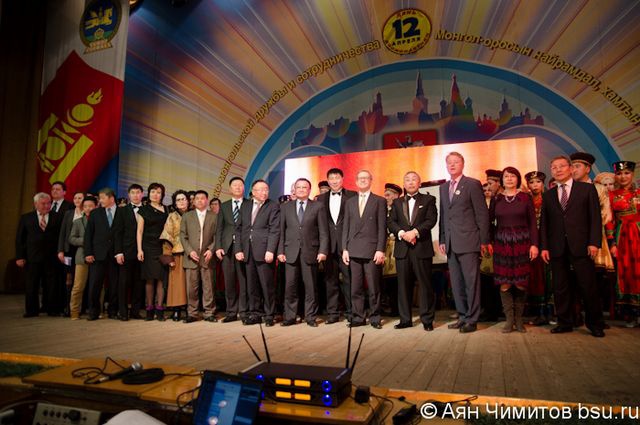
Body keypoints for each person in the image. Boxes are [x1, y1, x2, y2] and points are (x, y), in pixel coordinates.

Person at [540, 156, 605, 337]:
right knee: (560, 287)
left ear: (570, 168)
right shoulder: (549, 195)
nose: (558, 170)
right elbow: (544, 224)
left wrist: (594, 242)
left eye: (561, 166)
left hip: (582, 245)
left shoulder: (587, 189)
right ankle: (564, 322)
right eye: (554, 167)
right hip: (557, 246)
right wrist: (544, 247)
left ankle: (595, 324)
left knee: (588, 286)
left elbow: (595, 218)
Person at [439, 152, 491, 333]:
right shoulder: (444, 187)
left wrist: (484, 240)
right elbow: (444, 215)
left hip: (469, 240)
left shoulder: (472, 184)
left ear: (462, 164)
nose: (452, 165)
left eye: (456, 162)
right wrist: (443, 238)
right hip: (451, 243)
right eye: (449, 163)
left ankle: (472, 319)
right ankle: (462, 316)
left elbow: (482, 214)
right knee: (456, 283)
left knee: (471, 282)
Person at [489, 167, 539, 333]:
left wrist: (534, 244)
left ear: (517, 179)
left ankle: (519, 319)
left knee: (520, 283)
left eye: (512, 176)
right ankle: (509, 320)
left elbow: (533, 223)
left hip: (522, 242)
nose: (509, 179)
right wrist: (490, 241)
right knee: (504, 283)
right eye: (506, 176)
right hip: (501, 243)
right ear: (502, 180)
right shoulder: (496, 199)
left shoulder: (525, 197)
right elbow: (489, 222)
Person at [387, 171, 438, 331]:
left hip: (421, 247)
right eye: (407, 180)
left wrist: (415, 232)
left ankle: (427, 320)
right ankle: (405, 319)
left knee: (425, 285)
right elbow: (391, 222)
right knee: (403, 285)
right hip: (402, 249)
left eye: (413, 179)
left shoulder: (429, 199)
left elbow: (431, 220)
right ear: (404, 184)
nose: (410, 182)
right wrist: (403, 234)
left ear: (419, 183)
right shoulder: (396, 202)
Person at [277, 178, 328, 327]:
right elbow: (281, 231)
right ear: (294, 189)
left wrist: (323, 250)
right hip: (290, 252)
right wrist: (280, 251)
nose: (301, 189)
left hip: (310, 251)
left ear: (309, 190)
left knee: (310, 287)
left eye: (304, 187)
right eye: (298, 187)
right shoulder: (285, 207)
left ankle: (310, 317)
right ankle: (290, 316)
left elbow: (324, 232)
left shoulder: (318, 206)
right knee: (290, 287)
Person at [342, 170, 387, 329]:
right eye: (359, 178)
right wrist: (344, 248)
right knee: (356, 287)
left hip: (372, 250)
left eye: (365, 178)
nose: (362, 180)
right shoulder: (350, 202)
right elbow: (346, 227)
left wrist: (380, 249)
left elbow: (382, 227)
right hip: (353, 249)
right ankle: (358, 317)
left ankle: (375, 317)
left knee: (374, 287)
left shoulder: (379, 201)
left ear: (371, 180)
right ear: (355, 181)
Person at [235, 180, 280, 326]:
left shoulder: (273, 206)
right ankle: (255, 314)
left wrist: (270, 250)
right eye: (260, 190)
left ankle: (269, 315)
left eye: (266, 189)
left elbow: (274, 230)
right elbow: (239, 228)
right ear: (253, 192)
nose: (264, 192)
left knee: (267, 285)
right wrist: (238, 249)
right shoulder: (246, 205)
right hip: (247, 251)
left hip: (264, 251)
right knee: (251, 285)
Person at [315, 168, 356, 323]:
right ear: (328, 180)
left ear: (342, 179)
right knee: (330, 280)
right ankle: (333, 313)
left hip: (347, 246)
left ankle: (352, 312)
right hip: (328, 245)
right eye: (331, 178)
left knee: (349, 280)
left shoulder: (352, 195)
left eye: (337, 178)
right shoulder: (320, 199)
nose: (334, 181)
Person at [15, 193, 62, 317]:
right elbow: (20, 239)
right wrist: (20, 257)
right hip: (32, 257)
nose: (46, 206)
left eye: (48, 203)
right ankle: (31, 310)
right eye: (43, 203)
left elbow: (61, 237)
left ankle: (52, 309)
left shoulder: (58, 217)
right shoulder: (26, 218)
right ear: (36, 204)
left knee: (52, 285)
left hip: (52, 257)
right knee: (31, 285)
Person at [606, 161, 639, 327]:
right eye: (619, 174)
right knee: (625, 272)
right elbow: (609, 220)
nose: (623, 176)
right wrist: (612, 243)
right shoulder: (611, 196)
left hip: (638, 234)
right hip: (622, 238)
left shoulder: (639, 193)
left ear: (632, 174)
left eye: (626, 173)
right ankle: (631, 314)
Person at [180, 190, 218, 323]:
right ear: (193, 201)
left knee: (209, 287)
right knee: (192, 288)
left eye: (203, 198)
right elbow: (183, 236)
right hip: (192, 257)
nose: (200, 200)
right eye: (197, 198)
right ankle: (192, 313)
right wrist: (189, 251)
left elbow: (217, 236)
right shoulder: (187, 216)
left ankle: (209, 312)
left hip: (207, 257)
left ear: (207, 201)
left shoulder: (214, 216)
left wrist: (211, 250)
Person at [215, 177, 249, 323]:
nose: (237, 187)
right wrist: (218, 247)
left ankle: (244, 311)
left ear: (244, 188)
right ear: (230, 189)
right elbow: (219, 228)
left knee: (244, 281)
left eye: (240, 185)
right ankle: (231, 312)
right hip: (227, 248)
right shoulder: (224, 206)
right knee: (229, 282)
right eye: (234, 185)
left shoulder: (249, 204)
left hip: (245, 247)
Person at [84, 187, 120, 320]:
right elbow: (88, 235)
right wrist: (88, 253)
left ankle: (112, 311)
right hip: (97, 255)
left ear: (111, 198)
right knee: (94, 285)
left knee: (114, 285)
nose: (100, 200)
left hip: (115, 255)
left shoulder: (122, 212)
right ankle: (93, 311)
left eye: (103, 198)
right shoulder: (95, 213)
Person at [137, 183, 169, 321]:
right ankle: (149, 309)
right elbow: (139, 231)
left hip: (162, 247)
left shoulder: (167, 209)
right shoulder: (143, 210)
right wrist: (139, 249)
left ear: (162, 195)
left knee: (161, 278)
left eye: (158, 192)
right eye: (153, 192)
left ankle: (160, 309)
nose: (155, 195)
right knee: (149, 279)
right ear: (149, 193)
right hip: (148, 247)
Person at [113, 183, 145, 319]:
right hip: (126, 252)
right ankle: (123, 311)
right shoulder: (122, 210)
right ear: (129, 195)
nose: (136, 195)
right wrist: (118, 252)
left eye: (138, 192)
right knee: (124, 283)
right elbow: (117, 233)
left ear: (142, 194)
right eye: (133, 192)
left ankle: (135, 311)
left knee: (139, 283)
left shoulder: (147, 210)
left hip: (143, 252)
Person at [524, 171, 552, 326]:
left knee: (548, 277)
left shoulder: (549, 198)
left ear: (543, 183)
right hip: (530, 242)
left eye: (538, 182)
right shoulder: (525, 200)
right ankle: (538, 312)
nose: (535, 185)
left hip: (547, 242)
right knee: (534, 276)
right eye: (532, 182)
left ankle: (549, 312)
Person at [160, 190, 189, 321]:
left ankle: (189, 310)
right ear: (175, 203)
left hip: (192, 254)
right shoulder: (172, 216)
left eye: (183, 199)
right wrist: (168, 258)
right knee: (177, 284)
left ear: (188, 201)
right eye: (178, 200)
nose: (181, 202)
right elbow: (167, 237)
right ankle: (176, 310)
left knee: (190, 284)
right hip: (177, 253)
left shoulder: (194, 214)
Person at [56, 191, 85, 316]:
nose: (77, 200)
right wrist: (60, 250)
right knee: (68, 279)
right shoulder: (68, 213)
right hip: (69, 250)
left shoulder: (88, 213)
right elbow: (62, 232)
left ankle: (81, 307)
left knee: (80, 280)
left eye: (80, 198)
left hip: (82, 250)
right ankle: (67, 307)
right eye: (75, 198)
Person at [68, 196, 97, 319]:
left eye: (90, 206)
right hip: (81, 256)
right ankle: (74, 311)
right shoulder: (78, 222)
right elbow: (71, 238)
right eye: (85, 206)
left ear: (96, 207)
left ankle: (97, 310)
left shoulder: (100, 221)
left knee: (97, 286)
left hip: (97, 257)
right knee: (78, 286)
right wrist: (86, 241)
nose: (88, 208)